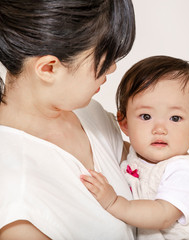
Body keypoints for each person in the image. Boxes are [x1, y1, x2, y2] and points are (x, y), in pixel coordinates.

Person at [0, 0, 136, 239]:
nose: (112, 68)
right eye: (103, 60)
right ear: (49, 68)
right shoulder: (18, 197)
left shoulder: (90, 113)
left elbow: (147, 179)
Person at [81, 55, 189, 239]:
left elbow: (162, 215)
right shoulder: (131, 156)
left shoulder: (187, 172)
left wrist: (114, 202)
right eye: (146, 116)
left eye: (175, 118)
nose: (160, 129)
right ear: (124, 123)